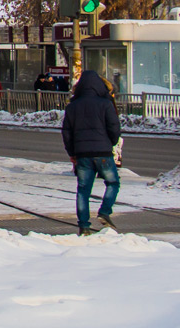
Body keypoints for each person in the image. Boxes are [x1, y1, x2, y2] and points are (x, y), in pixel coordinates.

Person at [61, 70, 122, 236]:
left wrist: (72, 152)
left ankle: (84, 226)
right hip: (103, 152)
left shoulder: (72, 106)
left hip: (82, 154)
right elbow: (114, 128)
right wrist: (111, 142)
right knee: (113, 183)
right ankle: (104, 211)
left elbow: (66, 132)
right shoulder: (105, 103)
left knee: (83, 191)